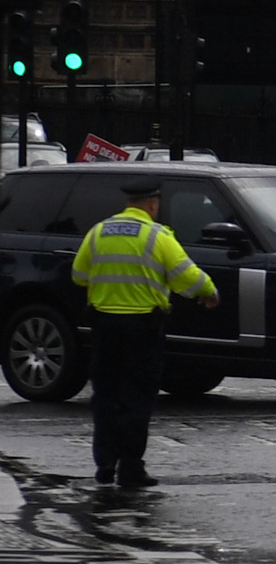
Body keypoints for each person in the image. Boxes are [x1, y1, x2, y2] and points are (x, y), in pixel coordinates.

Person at [71, 178, 220, 488]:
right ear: (152, 205)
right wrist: (208, 293)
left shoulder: (98, 232)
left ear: (129, 202)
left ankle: (104, 465)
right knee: (136, 397)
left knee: (105, 395)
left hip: (104, 328)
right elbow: (186, 276)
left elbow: (79, 275)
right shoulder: (157, 237)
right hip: (142, 330)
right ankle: (130, 467)